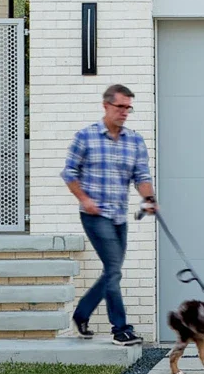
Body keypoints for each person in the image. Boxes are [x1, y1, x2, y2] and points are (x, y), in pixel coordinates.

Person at [62, 84, 155, 347]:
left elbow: (142, 176)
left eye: (128, 107)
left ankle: (82, 314)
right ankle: (120, 329)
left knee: (112, 272)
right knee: (114, 270)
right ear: (106, 106)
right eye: (120, 107)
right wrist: (84, 199)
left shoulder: (134, 140)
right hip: (94, 215)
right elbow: (69, 173)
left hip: (119, 217)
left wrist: (149, 199)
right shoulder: (86, 137)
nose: (125, 112)